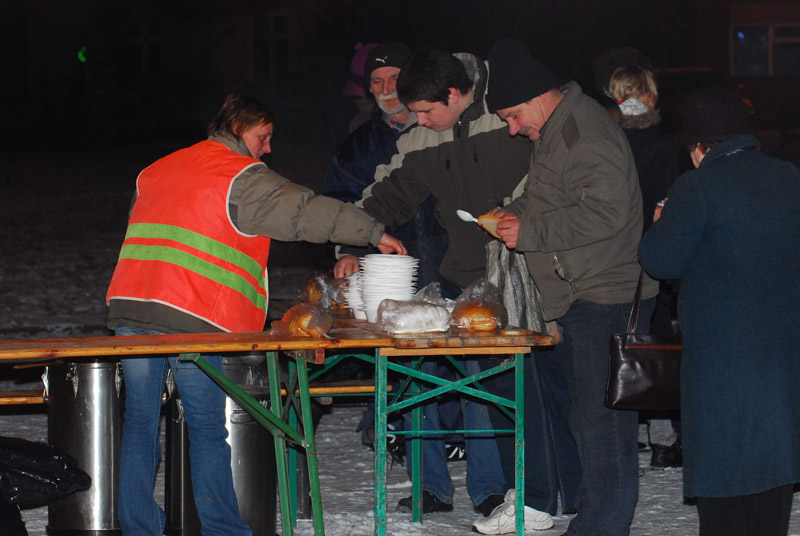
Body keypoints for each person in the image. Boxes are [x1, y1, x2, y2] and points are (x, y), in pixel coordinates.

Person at [105, 94, 405, 535]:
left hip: (132, 307)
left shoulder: (157, 169)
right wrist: (373, 232)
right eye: (263, 137)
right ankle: (225, 530)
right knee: (206, 427)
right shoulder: (241, 175)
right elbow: (305, 211)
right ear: (239, 129)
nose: (267, 148)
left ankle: (139, 529)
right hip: (193, 316)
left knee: (139, 423)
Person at [349, 46, 533, 521]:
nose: (420, 121)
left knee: (482, 386)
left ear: (453, 94)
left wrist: (519, 212)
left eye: (427, 111)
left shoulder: (507, 113)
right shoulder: (421, 136)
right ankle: (430, 485)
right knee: (418, 376)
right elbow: (386, 194)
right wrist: (349, 242)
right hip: (451, 277)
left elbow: (548, 180)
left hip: (515, 277)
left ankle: (491, 488)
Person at [485, 38, 659, 536]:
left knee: (603, 427)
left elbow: (608, 212)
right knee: (588, 421)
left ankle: (602, 526)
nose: (513, 128)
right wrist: (512, 214)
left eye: (513, 116)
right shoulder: (556, 130)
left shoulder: (584, 132)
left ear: (538, 94)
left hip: (606, 296)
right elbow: (549, 197)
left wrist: (530, 232)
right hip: (582, 293)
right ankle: (596, 519)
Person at [638, 85, 800, 536]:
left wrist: (660, 223)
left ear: (698, 147)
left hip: (722, 356)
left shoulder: (698, 185)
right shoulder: (788, 176)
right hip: (782, 351)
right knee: (772, 462)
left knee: (725, 467)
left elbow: (660, 260)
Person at [322, 41, 466, 469]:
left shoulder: (443, 127)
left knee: (455, 353)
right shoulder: (357, 146)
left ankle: (455, 434)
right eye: (376, 80)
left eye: (394, 79)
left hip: (449, 258)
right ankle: (398, 430)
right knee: (400, 354)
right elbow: (339, 205)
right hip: (389, 268)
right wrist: (350, 248)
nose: (386, 88)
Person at [606, 63, 683, 469]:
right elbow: (665, 206)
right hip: (647, 255)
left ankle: (632, 431)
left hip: (611, 254)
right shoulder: (661, 147)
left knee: (623, 338)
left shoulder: (607, 142)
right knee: (653, 343)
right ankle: (662, 439)